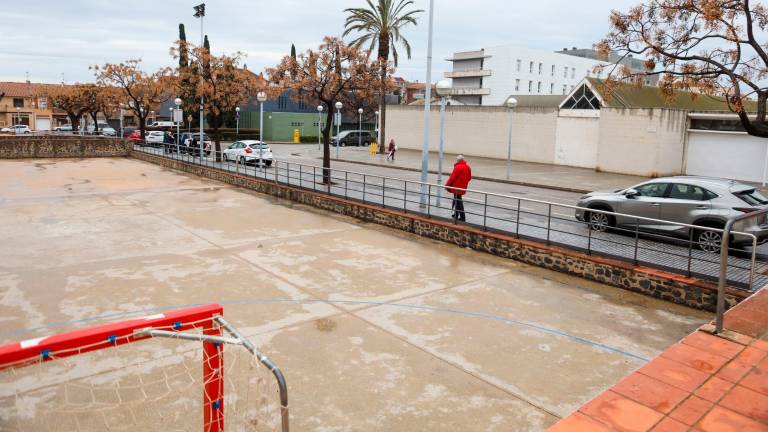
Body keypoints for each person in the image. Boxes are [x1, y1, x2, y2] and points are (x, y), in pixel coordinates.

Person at [445, 155, 472, 222]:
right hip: (462, 187)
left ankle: (462, 217)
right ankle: (456, 215)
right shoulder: (468, 167)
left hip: (456, 187)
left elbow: (452, 178)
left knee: (458, 201)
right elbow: (469, 178)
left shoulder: (457, 167)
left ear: (458, 160)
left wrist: (447, 185)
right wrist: (464, 183)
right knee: (457, 200)